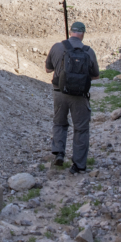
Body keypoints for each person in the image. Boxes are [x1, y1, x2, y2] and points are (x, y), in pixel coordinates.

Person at [45, 22, 100, 174]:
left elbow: (48, 69)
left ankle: (59, 152)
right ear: (83, 34)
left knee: (59, 122)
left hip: (59, 92)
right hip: (79, 96)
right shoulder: (88, 51)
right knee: (81, 129)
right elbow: (96, 75)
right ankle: (78, 165)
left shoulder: (57, 47)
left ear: (70, 32)